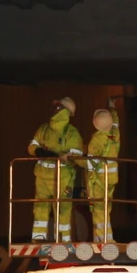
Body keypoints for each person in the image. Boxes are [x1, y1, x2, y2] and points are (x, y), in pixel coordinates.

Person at [28, 98, 84, 242]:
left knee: (63, 208)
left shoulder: (71, 133)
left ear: (65, 111)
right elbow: (32, 147)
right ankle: (39, 238)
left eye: (58, 106)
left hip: (62, 177)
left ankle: (64, 240)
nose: (54, 108)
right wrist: (44, 153)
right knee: (41, 207)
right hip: (43, 174)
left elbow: (74, 156)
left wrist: (57, 156)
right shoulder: (44, 129)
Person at [84, 108, 120, 244]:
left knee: (98, 210)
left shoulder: (96, 140)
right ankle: (100, 239)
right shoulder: (115, 135)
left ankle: (107, 241)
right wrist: (113, 109)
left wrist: (74, 159)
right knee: (106, 209)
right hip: (111, 179)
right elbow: (116, 124)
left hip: (99, 180)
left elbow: (90, 163)